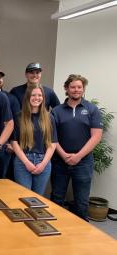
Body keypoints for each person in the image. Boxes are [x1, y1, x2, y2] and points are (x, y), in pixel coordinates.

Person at [51, 74, 102, 220]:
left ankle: (81, 233)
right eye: (72, 87)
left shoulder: (92, 109)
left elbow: (96, 136)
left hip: (84, 162)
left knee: (81, 200)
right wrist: (64, 155)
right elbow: (51, 137)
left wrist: (78, 156)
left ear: (83, 89)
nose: (76, 90)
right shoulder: (56, 111)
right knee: (57, 197)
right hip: (60, 161)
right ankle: (56, 227)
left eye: (79, 87)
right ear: (66, 89)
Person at [11, 84, 57, 195]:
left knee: (38, 199)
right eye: (33, 95)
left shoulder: (49, 117)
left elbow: (53, 143)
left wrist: (43, 164)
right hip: (23, 162)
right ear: (27, 97)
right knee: (24, 197)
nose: (37, 98)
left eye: (40, 95)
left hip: (43, 161)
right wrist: (26, 162)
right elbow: (14, 142)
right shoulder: (18, 117)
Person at [0, 67, 20, 179]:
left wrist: (12, 143)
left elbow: (16, 123)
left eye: (0, 77)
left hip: (4, 146)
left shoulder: (11, 98)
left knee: (1, 178)